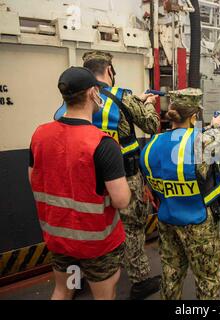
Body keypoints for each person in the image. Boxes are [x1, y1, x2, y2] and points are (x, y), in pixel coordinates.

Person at [55, 51, 161, 299]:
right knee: (132, 228)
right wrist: (145, 103)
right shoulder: (122, 96)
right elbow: (152, 125)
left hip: (85, 180)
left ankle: (75, 279)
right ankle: (139, 281)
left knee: (84, 228)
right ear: (110, 70)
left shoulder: (68, 103)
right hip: (125, 177)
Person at [29, 67, 131, 300]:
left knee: (65, 289)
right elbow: (122, 200)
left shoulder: (39, 135)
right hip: (97, 247)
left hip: (61, 241)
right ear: (94, 93)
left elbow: (35, 180)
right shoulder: (103, 144)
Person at [140, 88, 220, 300]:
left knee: (171, 274)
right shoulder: (203, 142)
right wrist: (217, 126)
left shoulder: (151, 145)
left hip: (167, 219)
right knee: (207, 279)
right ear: (194, 116)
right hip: (200, 222)